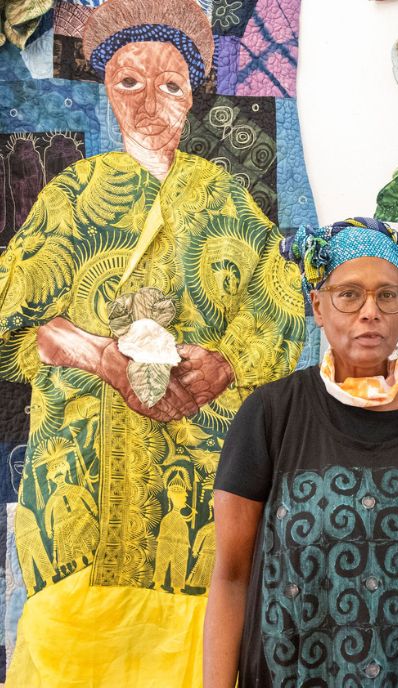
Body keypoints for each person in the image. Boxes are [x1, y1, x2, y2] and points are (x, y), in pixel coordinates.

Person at [0, 0, 305, 684]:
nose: (147, 105)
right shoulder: (72, 195)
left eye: (169, 85)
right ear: (105, 88)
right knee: (66, 642)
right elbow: (17, 325)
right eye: (129, 82)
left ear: (193, 97)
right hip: (83, 486)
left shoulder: (227, 198)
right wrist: (99, 357)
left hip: (200, 488)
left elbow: (282, 311)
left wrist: (226, 364)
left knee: (203, 642)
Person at [205, 218, 398, 688]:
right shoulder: (271, 415)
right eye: (349, 294)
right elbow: (231, 576)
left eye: (387, 295)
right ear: (317, 304)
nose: (369, 312)